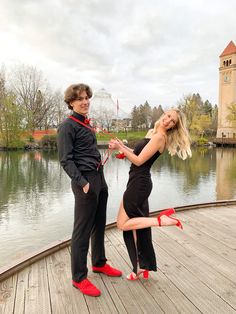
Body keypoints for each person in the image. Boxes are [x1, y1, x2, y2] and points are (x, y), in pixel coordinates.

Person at [109, 108, 192, 280]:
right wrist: (122, 148)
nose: (168, 120)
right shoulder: (153, 132)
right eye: (168, 116)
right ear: (164, 114)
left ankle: (161, 220)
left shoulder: (160, 137)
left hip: (139, 184)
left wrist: (122, 149)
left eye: (173, 121)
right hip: (136, 182)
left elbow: (139, 161)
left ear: (174, 126)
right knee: (134, 226)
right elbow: (139, 153)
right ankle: (140, 266)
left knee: (122, 224)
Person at [57, 83, 122, 297]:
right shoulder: (67, 126)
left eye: (87, 98)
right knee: (82, 231)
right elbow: (66, 161)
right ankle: (79, 278)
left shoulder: (86, 124)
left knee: (99, 224)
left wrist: (109, 148)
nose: (85, 102)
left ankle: (99, 263)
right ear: (71, 103)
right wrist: (83, 182)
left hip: (99, 178)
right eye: (80, 99)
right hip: (84, 181)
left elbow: (88, 150)